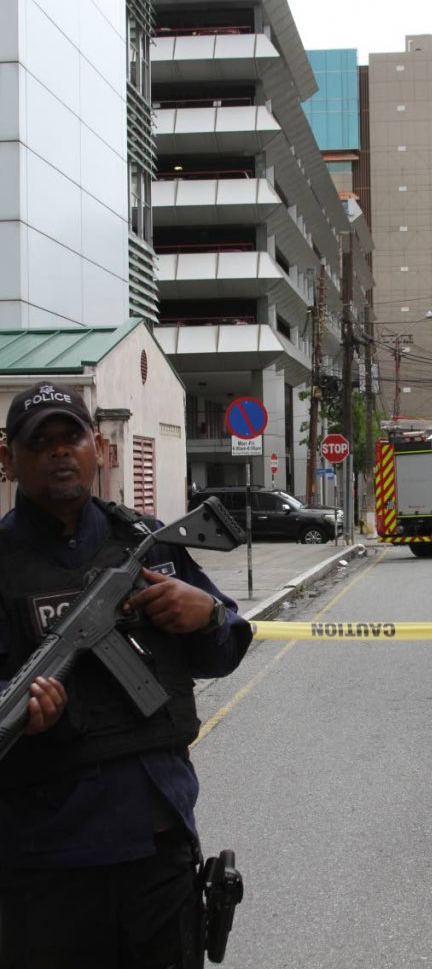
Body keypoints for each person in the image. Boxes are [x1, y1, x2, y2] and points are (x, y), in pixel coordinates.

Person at [0, 381, 253, 969]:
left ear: (100, 450)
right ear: (8, 458)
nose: (61, 452)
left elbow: (226, 649)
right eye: (41, 442)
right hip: (45, 861)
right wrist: (31, 714)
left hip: (156, 846)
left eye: (73, 436)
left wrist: (207, 613)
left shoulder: (149, 545)